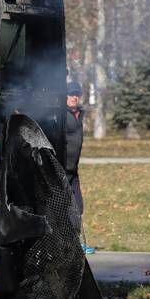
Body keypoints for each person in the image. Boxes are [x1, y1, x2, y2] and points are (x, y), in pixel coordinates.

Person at [65, 80, 84, 216]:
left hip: (73, 171)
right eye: (71, 94)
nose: (74, 97)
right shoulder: (61, 115)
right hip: (61, 171)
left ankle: (73, 236)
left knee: (78, 208)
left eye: (76, 94)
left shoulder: (79, 115)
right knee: (63, 210)